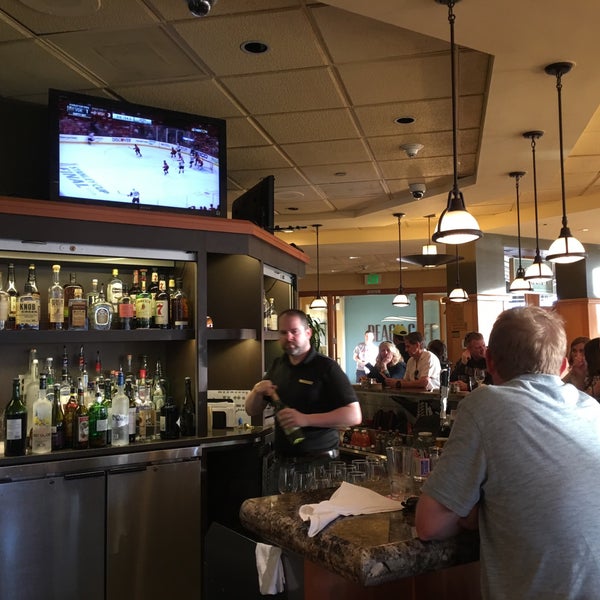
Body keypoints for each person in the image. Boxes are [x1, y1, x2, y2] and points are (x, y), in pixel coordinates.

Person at [415, 306, 600, 599]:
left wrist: (476, 509)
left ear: (488, 360)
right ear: (563, 365)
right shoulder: (592, 408)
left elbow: (429, 524)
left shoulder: (485, 404)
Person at [245, 309, 362, 480]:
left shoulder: (326, 367)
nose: (289, 337)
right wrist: (256, 390)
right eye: (283, 332)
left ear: (308, 333)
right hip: (282, 464)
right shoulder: (278, 366)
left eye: (294, 331)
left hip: (320, 465)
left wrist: (305, 419)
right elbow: (251, 410)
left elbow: (354, 415)